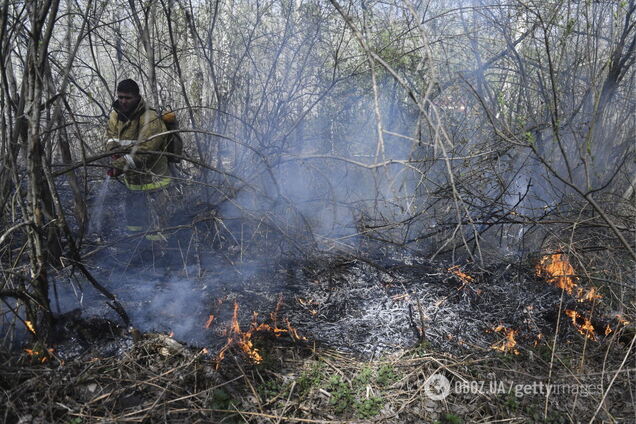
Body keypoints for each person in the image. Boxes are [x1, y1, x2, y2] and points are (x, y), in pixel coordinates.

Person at [105, 79, 172, 247]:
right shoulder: (115, 114)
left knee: (157, 227)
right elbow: (111, 137)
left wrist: (120, 165)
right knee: (134, 222)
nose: (123, 101)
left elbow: (146, 151)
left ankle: (162, 258)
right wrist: (114, 153)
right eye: (120, 97)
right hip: (132, 182)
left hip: (155, 182)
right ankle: (137, 251)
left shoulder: (150, 118)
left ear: (137, 97)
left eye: (128, 98)